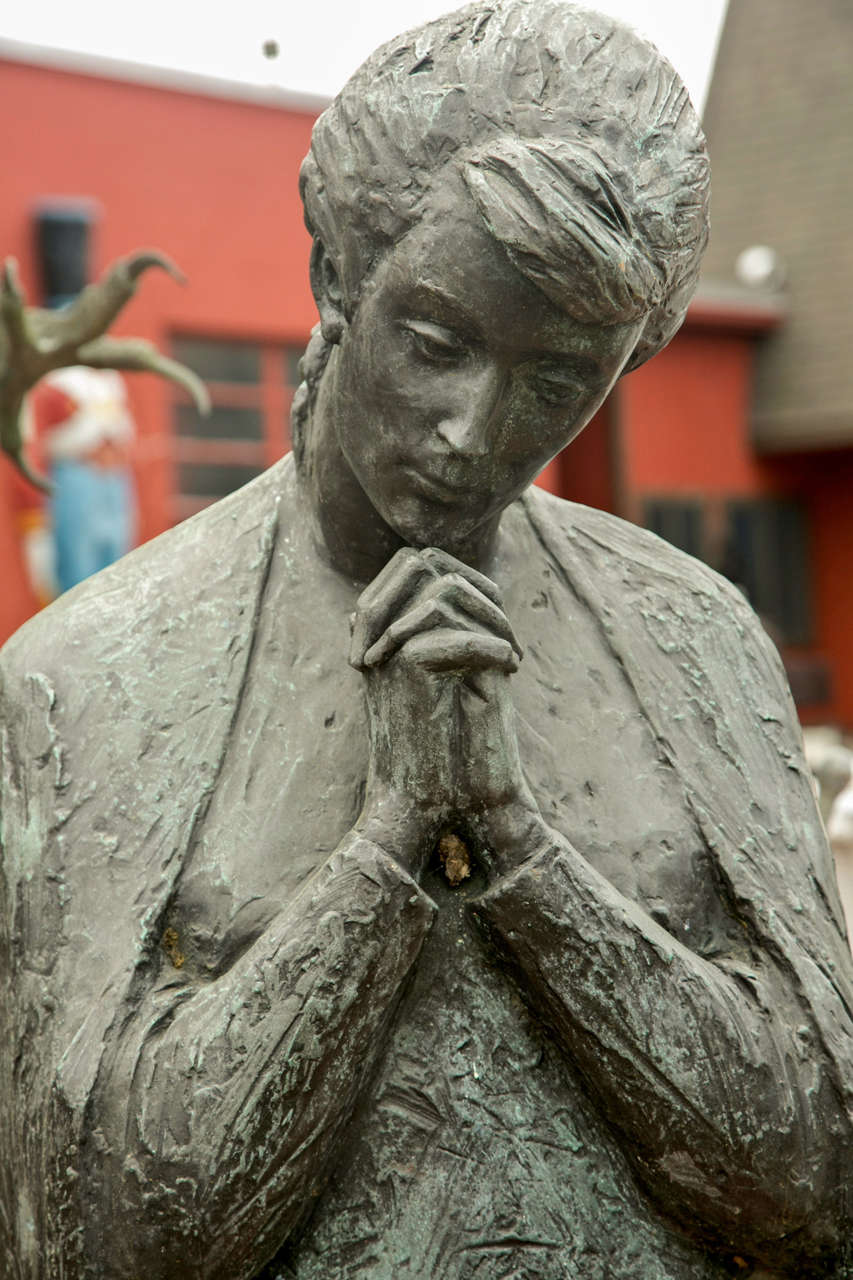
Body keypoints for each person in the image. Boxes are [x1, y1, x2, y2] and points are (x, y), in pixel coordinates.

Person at [1, 4, 852, 1278]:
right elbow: (96, 1230)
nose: (475, 432)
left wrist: (512, 842)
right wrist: (393, 845)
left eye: (559, 381)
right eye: (436, 345)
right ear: (339, 274)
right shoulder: (88, 679)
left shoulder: (693, 639)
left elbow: (815, 1178)